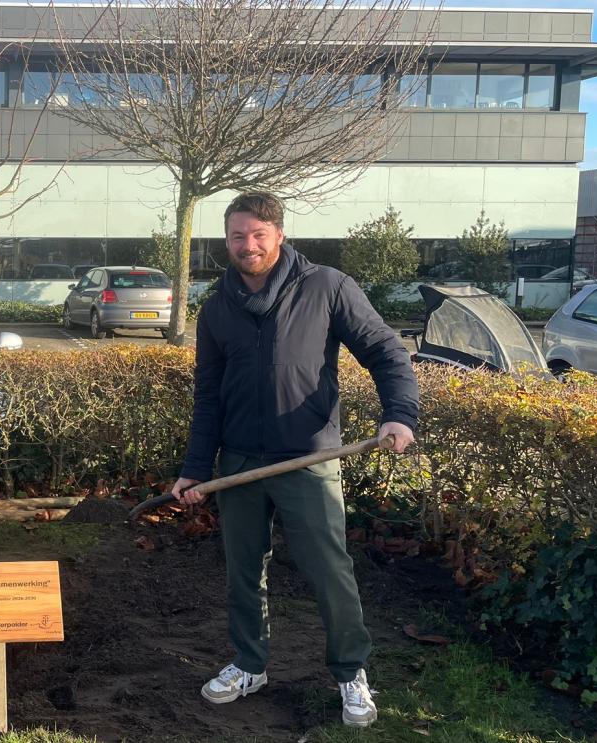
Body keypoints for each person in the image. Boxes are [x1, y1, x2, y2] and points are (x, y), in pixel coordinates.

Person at [171, 192, 418, 728]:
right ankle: (249, 664)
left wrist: (399, 413)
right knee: (243, 572)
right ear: (227, 240)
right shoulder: (217, 306)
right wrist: (196, 467)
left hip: (308, 459)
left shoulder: (327, 287)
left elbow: (384, 350)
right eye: (238, 236)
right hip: (239, 464)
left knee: (330, 571)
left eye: (258, 234)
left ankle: (351, 672)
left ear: (279, 235)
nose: (248, 245)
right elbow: (209, 396)